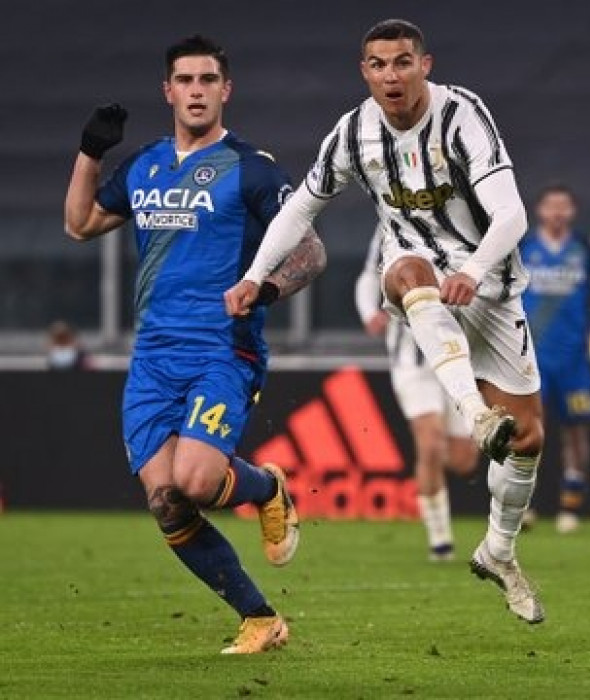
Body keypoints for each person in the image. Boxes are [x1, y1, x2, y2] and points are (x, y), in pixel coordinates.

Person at [225, 19, 545, 624]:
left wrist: (473, 271)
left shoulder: (462, 116)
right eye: (378, 65)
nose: (390, 75)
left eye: (402, 62)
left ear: (425, 65)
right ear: (364, 72)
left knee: (527, 441)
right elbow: (302, 208)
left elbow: (512, 216)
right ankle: (474, 414)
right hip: (417, 269)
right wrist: (253, 275)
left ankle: (499, 552)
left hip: (490, 285)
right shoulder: (353, 133)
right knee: (404, 270)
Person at [64, 35, 327, 654]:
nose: (197, 90)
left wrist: (264, 289)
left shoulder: (252, 168)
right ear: (168, 91)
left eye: (208, 79)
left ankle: (267, 488)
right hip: (153, 359)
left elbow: (311, 251)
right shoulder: (145, 166)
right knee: (167, 503)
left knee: (196, 481)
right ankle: (260, 619)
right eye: (185, 80)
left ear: (225, 89)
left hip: (223, 351)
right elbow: (80, 225)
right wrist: (90, 152)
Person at [355, 225, 479, 560]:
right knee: (430, 442)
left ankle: (434, 475)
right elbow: (369, 275)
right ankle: (440, 539)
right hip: (412, 361)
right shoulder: (389, 224)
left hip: (457, 355)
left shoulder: (464, 219)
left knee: (464, 460)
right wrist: (369, 312)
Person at [520, 184, 590, 534]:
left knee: (576, 430)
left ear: (573, 211)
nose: (558, 212)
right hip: (532, 357)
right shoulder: (522, 247)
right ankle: (525, 504)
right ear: (539, 210)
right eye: (552, 206)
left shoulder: (588, 249)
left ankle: (570, 505)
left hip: (575, 356)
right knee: (531, 431)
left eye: (564, 206)